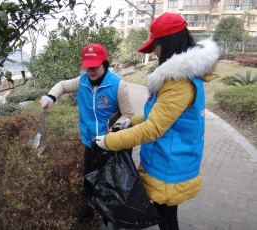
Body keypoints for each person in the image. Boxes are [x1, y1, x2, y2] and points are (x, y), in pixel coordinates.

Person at [95, 12, 220, 230]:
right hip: (169, 160)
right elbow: (162, 115)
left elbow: (154, 128)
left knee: (167, 220)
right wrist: (131, 121)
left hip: (170, 166)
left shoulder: (178, 82)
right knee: (165, 216)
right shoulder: (179, 78)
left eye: (156, 46)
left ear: (168, 42)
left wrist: (109, 142)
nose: (154, 52)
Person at [39, 43, 135, 224]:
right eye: (88, 66)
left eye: (95, 66)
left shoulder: (117, 85)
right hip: (90, 143)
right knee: (89, 178)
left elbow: (129, 114)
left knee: (113, 182)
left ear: (104, 64)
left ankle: (113, 216)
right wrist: (51, 96)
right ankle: (89, 209)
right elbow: (62, 85)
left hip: (110, 143)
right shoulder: (82, 81)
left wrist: (115, 130)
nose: (91, 71)